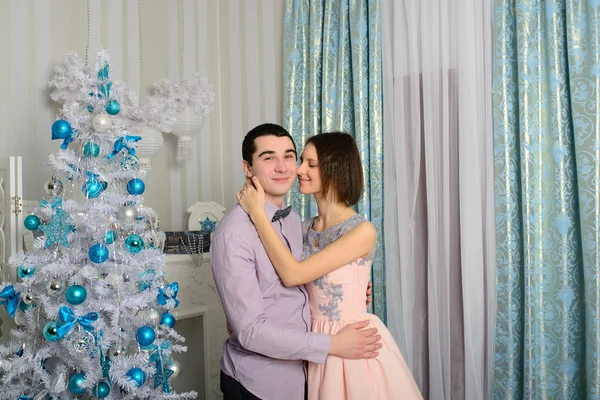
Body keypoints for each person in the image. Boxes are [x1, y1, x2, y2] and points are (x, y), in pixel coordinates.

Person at [237, 132, 423, 399]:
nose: (298, 169)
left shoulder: (362, 231)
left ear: (334, 170)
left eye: (310, 164)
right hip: (314, 343)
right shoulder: (301, 228)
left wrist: (257, 213)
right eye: (301, 161)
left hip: (351, 342)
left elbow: (293, 274)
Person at [210, 124, 382, 400]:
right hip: (261, 382)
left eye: (290, 156)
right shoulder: (232, 233)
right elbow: (250, 331)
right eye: (268, 158)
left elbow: (303, 281)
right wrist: (331, 344)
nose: (287, 168)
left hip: (311, 373)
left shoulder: (293, 222)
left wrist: (347, 286)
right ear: (247, 168)